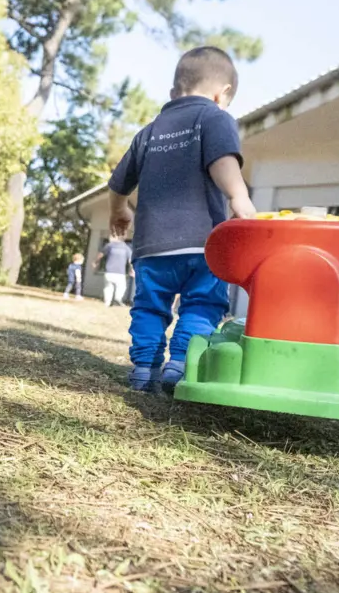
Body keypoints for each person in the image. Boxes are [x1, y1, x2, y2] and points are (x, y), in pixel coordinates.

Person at [108, 46, 256, 394]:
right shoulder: (215, 118)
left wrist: (119, 210)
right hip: (204, 244)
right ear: (224, 93)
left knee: (148, 307)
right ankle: (179, 365)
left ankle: (144, 369)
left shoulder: (148, 132)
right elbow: (222, 160)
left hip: (151, 246)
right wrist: (238, 196)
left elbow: (118, 182)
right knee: (203, 303)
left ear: (174, 91)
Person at [94, 233, 133, 306]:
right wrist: (132, 270)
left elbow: (100, 255)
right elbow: (130, 260)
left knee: (108, 287)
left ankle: (107, 302)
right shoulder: (126, 248)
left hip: (109, 272)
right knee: (122, 287)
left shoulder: (109, 245)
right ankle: (118, 298)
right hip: (120, 273)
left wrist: (95, 262)